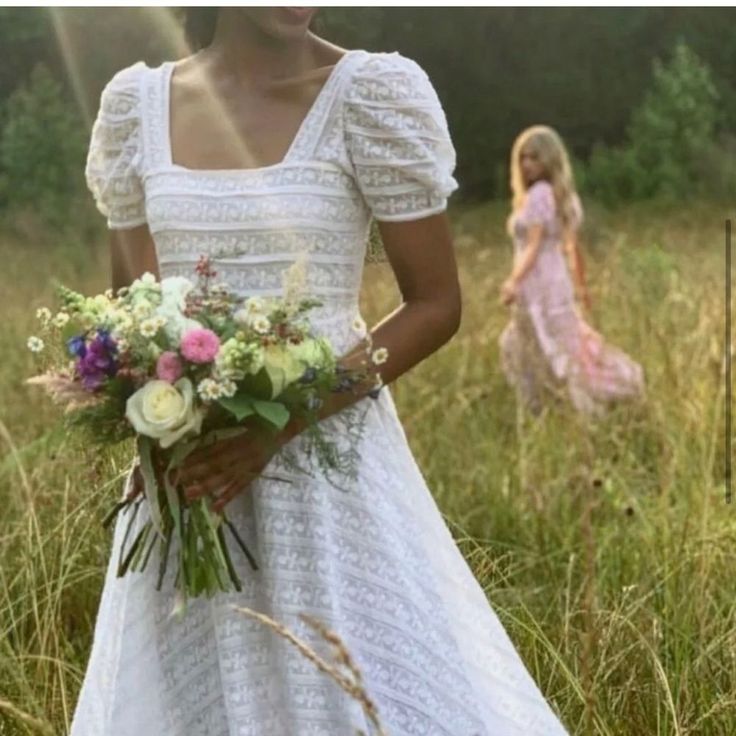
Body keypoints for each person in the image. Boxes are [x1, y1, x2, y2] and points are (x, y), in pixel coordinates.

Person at [71, 9, 570, 735]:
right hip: (189, 476)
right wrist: (159, 416)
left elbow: (436, 304)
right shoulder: (135, 107)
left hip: (327, 472)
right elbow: (134, 311)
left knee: (357, 691)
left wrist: (279, 426)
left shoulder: (371, 95)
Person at [499, 125, 645, 417]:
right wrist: (581, 288)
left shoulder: (540, 194)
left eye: (535, 158)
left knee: (531, 347)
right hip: (557, 282)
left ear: (550, 159)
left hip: (538, 283)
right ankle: (574, 407)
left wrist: (513, 282)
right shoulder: (563, 195)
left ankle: (557, 410)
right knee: (561, 347)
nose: (527, 164)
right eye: (524, 158)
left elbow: (534, 245)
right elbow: (571, 249)